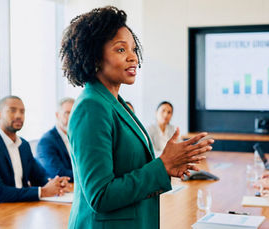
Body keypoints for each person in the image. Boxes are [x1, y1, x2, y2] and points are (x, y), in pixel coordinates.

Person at [60, 6, 214, 229]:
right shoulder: (92, 107)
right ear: (94, 55)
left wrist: (169, 167)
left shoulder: (115, 102)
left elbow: (128, 167)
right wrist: (162, 166)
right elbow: (100, 195)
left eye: (133, 49)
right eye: (121, 50)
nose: (133, 57)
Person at [0, 96, 71, 203]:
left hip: (21, 208)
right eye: (12, 110)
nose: (19, 115)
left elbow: (39, 177)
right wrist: (43, 191)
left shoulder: (23, 145)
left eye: (22, 112)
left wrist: (56, 184)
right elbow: (0, 193)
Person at [36, 97, 74, 181]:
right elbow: (57, 173)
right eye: (67, 113)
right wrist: (86, 174)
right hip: (57, 191)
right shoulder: (46, 141)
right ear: (57, 115)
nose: (71, 117)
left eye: (74, 113)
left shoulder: (78, 137)